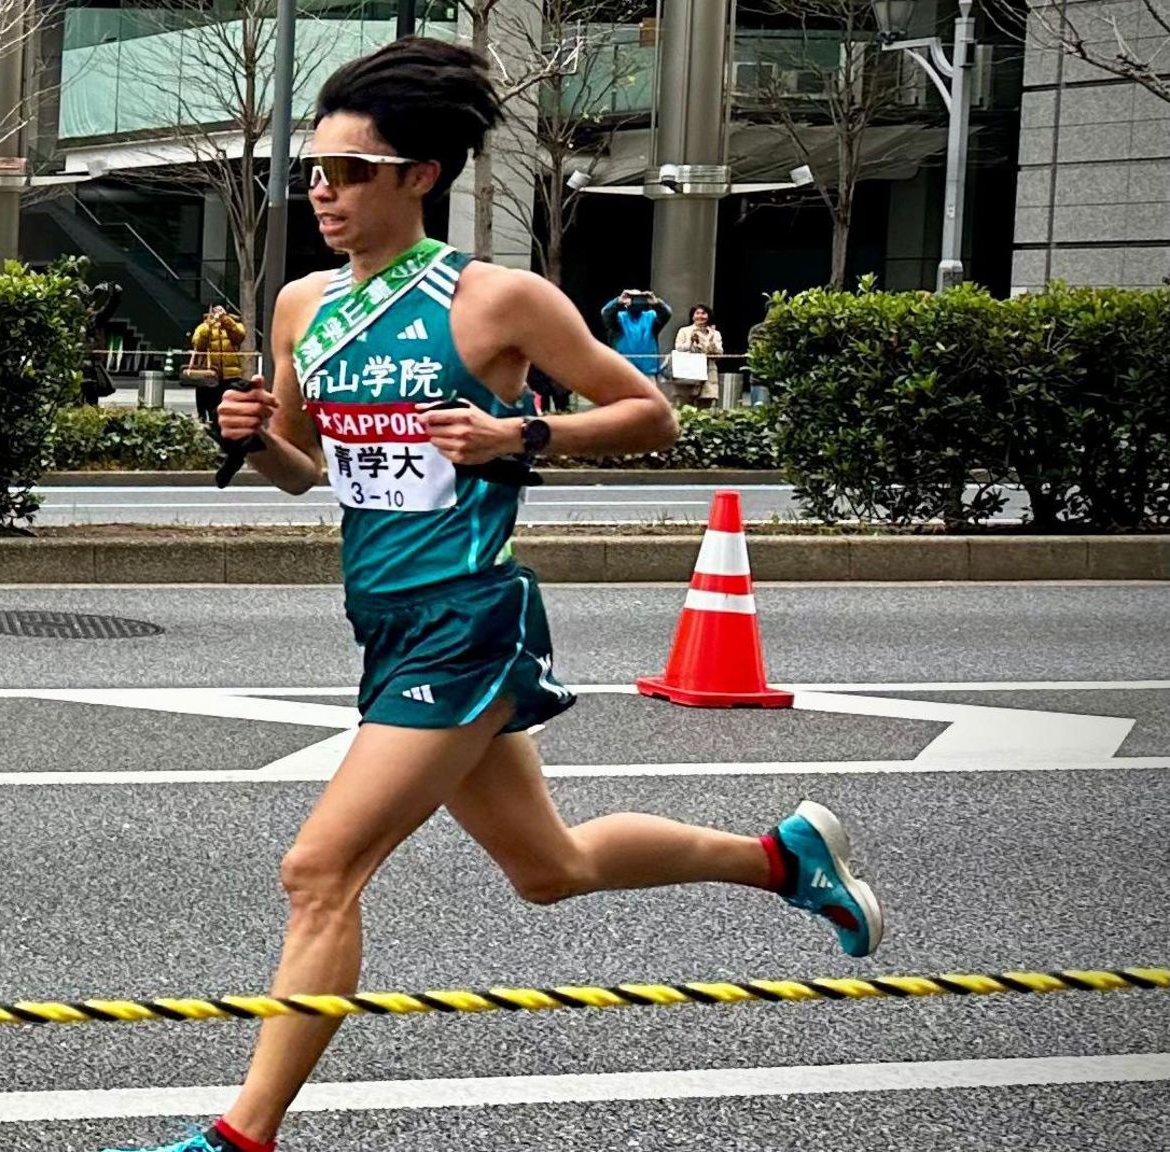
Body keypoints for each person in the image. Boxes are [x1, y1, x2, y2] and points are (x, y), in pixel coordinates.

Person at [105, 38, 884, 1152]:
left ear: (419, 175)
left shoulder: (495, 300)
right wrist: (243, 431)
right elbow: (310, 468)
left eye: (349, 172)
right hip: (381, 622)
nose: (322, 193)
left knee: (317, 869)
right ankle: (781, 858)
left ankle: (239, 1139)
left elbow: (650, 413)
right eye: (313, 173)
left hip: (468, 616)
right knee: (546, 869)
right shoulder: (300, 307)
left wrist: (523, 432)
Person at [188, 304, 248, 430]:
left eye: (221, 310)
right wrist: (209, 325)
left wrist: (225, 319)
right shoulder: (203, 327)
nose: (218, 313)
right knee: (209, 408)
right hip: (209, 374)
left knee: (229, 409)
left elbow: (240, 336)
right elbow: (198, 345)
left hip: (230, 375)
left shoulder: (233, 324)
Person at [598, 287, 671, 382]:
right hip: (623, 370)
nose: (636, 301)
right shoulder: (620, 318)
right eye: (633, 298)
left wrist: (656, 303)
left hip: (648, 372)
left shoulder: (651, 316)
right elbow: (605, 313)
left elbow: (667, 313)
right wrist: (618, 301)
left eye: (639, 298)